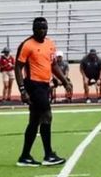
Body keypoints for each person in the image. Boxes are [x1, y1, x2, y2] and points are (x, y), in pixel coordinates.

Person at [15, 17, 70, 167]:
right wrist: (22, 90)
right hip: (33, 85)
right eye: (39, 28)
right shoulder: (27, 45)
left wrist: (64, 81)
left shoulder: (50, 44)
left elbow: (53, 65)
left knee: (34, 121)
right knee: (47, 115)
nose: (42, 31)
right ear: (33, 29)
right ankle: (48, 154)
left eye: (44, 28)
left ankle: (25, 156)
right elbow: (18, 68)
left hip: (45, 85)